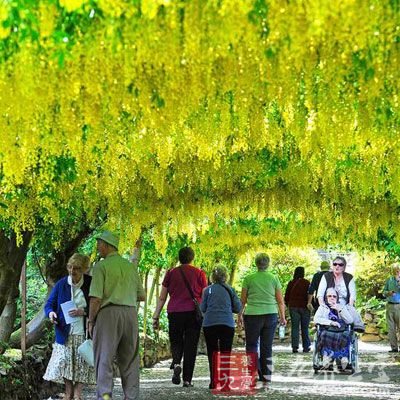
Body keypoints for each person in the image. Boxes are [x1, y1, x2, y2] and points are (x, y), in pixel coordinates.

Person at [88, 231, 145, 400]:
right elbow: (141, 295)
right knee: (130, 359)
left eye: (99, 243)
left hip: (108, 314)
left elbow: (96, 299)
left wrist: (91, 321)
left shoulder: (101, 266)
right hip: (130, 313)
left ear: (106, 245)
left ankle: (105, 396)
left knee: (104, 357)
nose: (97, 247)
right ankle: (131, 396)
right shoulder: (130, 267)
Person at [152, 246, 207, 388]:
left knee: (176, 340)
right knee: (191, 345)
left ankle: (176, 363)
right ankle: (187, 380)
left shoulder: (171, 273)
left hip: (175, 311)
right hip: (193, 313)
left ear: (179, 258)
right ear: (192, 258)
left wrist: (155, 316)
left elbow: (162, 297)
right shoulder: (200, 273)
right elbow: (205, 296)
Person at [43, 253, 95, 400]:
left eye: (77, 268)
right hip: (64, 331)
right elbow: (49, 305)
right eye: (70, 267)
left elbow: (98, 305)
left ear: (85, 268)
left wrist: (83, 312)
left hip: (83, 331)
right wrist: (51, 313)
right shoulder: (61, 284)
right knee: (64, 362)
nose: (72, 271)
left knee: (82, 363)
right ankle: (68, 393)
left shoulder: (91, 283)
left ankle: (77, 394)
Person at [238, 253, 286, 385]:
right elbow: (280, 301)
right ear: (268, 263)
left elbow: (242, 301)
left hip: (252, 315)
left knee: (251, 345)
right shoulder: (273, 278)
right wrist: (282, 317)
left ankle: (253, 373)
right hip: (270, 314)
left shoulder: (248, 278)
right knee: (266, 346)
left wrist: (239, 316)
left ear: (256, 263)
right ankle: (266, 375)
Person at [200, 266, 242, 389]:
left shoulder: (207, 290)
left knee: (212, 353)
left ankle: (213, 381)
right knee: (225, 353)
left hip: (210, 324)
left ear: (212, 276)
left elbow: (203, 308)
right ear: (226, 276)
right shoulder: (231, 289)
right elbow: (238, 308)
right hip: (227, 324)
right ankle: (225, 382)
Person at [316, 256, 364, 331]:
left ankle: (358, 325)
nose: (337, 266)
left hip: (344, 305)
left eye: (340, 264)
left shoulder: (349, 277)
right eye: (335, 264)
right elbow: (320, 294)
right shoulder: (326, 276)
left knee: (350, 314)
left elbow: (352, 295)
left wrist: (349, 307)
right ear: (332, 266)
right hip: (329, 304)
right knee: (322, 313)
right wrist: (323, 306)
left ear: (344, 267)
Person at [314, 287, 354, 369]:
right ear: (326, 297)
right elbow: (316, 319)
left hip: (341, 330)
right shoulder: (323, 307)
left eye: (334, 296)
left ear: (337, 298)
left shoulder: (342, 307)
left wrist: (340, 310)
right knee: (324, 334)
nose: (332, 298)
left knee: (346, 334)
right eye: (329, 296)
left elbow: (350, 321)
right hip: (327, 329)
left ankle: (343, 357)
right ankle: (326, 357)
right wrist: (331, 322)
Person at [284, 266, 311, 353]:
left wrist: (287, 304)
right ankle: (306, 347)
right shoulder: (307, 283)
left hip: (293, 307)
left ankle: (295, 347)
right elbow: (310, 294)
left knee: (295, 328)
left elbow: (286, 295)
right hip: (305, 308)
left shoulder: (291, 283)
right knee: (305, 328)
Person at [383, 263, 400, 353]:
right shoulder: (389, 280)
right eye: (395, 270)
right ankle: (394, 348)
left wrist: (398, 282)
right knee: (391, 328)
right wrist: (388, 293)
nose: (397, 272)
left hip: (399, 306)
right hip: (389, 305)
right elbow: (384, 292)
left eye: (398, 270)